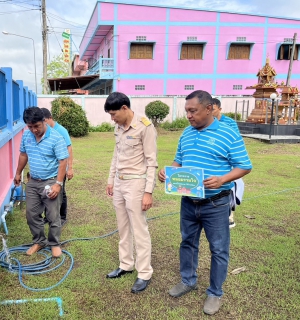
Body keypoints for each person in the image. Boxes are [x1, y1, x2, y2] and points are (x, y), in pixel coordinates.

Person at [158, 90, 252, 315]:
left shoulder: (228, 133)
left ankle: (215, 293)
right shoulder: (186, 133)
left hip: (216, 203)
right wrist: (168, 172)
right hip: (189, 202)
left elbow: (245, 165)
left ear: (209, 109)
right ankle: (188, 281)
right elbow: (179, 161)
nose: (189, 116)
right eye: (187, 111)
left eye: (193, 111)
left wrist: (222, 179)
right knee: (187, 242)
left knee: (218, 249)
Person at [104, 92, 157, 294]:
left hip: (136, 183)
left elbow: (151, 161)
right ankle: (126, 264)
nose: (112, 118)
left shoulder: (145, 126)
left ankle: (144, 272)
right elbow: (116, 155)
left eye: (114, 113)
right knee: (122, 226)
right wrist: (111, 180)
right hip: (119, 182)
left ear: (125, 108)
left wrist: (148, 192)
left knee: (139, 228)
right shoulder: (118, 127)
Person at [14, 107, 69, 258]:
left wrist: (58, 184)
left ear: (44, 121)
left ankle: (54, 243)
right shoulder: (27, 136)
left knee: (52, 215)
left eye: (36, 126)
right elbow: (23, 155)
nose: (33, 130)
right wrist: (18, 172)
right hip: (33, 181)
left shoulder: (56, 138)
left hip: (51, 180)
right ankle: (39, 241)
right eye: (30, 127)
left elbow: (63, 161)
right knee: (31, 214)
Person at [212, 97, 242, 228]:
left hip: (228, 160)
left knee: (231, 185)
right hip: (213, 159)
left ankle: (230, 215)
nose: (210, 112)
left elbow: (235, 142)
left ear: (219, 109)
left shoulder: (229, 123)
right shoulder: (205, 123)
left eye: (212, 109)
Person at [40, 108, 73, 226]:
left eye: (45, 121)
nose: (43, 124)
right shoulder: (43, 131)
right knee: (45, 191)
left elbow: (69, 148)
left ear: (50, 118)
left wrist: (70, 168)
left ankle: (62, 217)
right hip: (48, 170)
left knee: (60, 192)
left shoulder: (61, 130)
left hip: (60, 168)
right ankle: (48, 217)